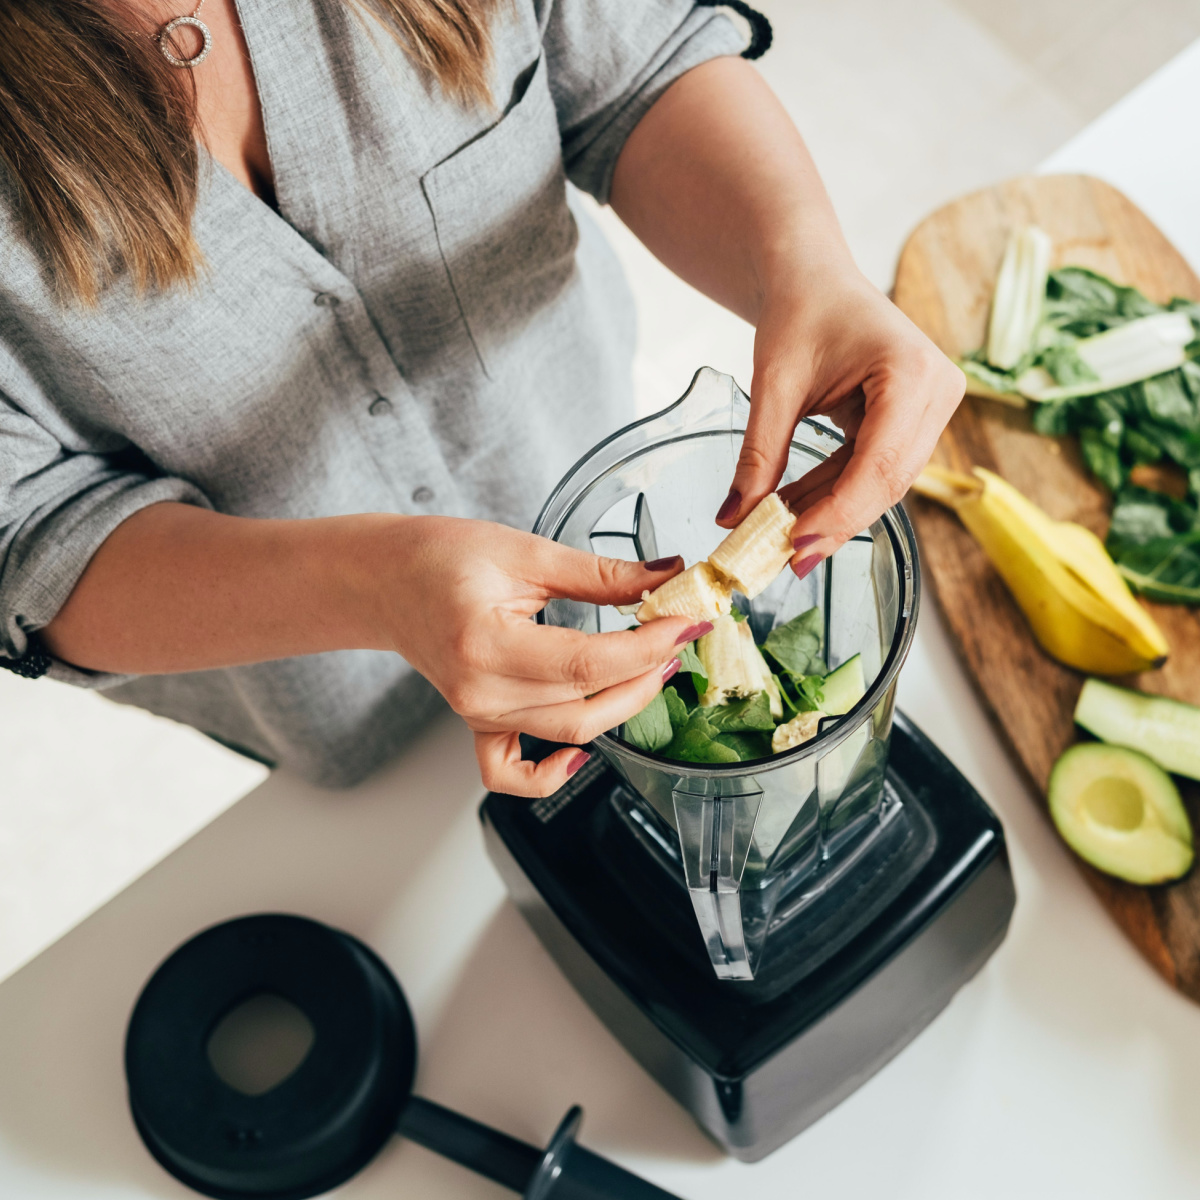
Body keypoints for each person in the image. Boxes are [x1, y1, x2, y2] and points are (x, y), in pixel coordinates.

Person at [0, 0, 963, 797]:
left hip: (572, 457)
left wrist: (807, 264)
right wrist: (376, 587)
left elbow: (637, 65)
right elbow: (26, 533)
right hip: (315, 677)